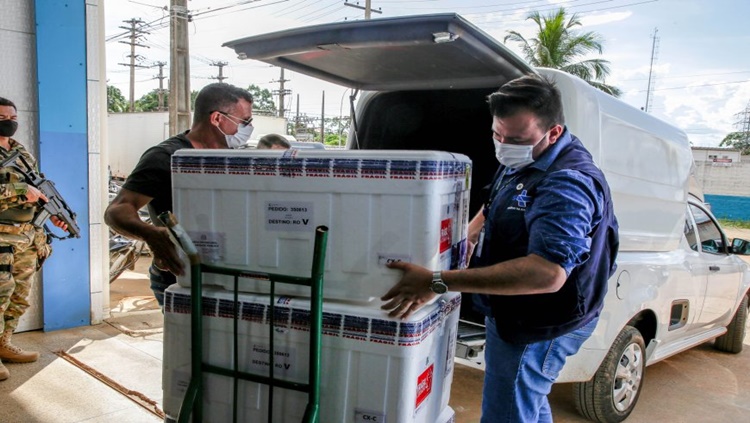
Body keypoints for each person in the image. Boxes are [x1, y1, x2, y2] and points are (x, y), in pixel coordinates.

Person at [381, 74, 619, 422]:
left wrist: (438, 281)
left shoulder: (566, 184)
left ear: (553, 132)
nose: (504, 145)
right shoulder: (529, 156)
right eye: (498, 135)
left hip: (540, 321)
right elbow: (496, 202)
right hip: (517, 312)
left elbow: (547, 273)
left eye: (517, 139)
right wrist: (464, 239)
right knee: (528, 401)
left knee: (505, 413)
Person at [104, 83, 254, 306]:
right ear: (217, 119)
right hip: (178, 277)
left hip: (220, 277)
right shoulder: (166, 157)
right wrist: (151, 234)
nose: (248, 128)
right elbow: (116, 211)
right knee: (189, 340)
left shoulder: (230, 157)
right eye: (244, 121)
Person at [0, 97, 69, 381]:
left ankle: (3, 344)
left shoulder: (22, 152)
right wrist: (19, 189)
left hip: (27, 238)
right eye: (2, 115)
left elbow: (38, 188)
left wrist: (52, 212)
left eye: (12, 115)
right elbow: (23, 188)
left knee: (18, 297)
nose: (9, 120)